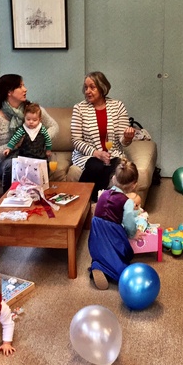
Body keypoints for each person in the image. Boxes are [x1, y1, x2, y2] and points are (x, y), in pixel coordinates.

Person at [0, 74, 59, 193]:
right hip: (2, 162)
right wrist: (14, 145)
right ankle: (9, 199)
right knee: (14, 164)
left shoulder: (32, 110)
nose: (25, 89)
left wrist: (39, 138)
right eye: (20, 86)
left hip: (28, 155)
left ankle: (38, 198)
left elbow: (54, 126)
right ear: (9, 92)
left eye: (24, 85)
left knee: (40, 162)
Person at [71, 71, 135, 201]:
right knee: (97, 165)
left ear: (102, 87)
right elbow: (76, 140)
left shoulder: (118, 106)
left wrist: (127, 138)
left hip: (113, 154)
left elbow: (123, 141)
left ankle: (94, 202)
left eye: (92, 87)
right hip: (88, 155)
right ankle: (84, 200)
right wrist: (97, 153)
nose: (88, 91)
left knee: (112, 166)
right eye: (86, 87)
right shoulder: (79, 108)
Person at [88, 158, 146, 290]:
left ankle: (97, 265)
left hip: (96, 230)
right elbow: (129, 222)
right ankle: (109, 271)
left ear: (114, 178)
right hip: (112, 231)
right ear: (134, 185)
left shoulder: (104, 194)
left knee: (101, 252)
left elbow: (97, 212)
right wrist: (133, 234)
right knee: (120, 256)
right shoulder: (127, 201)